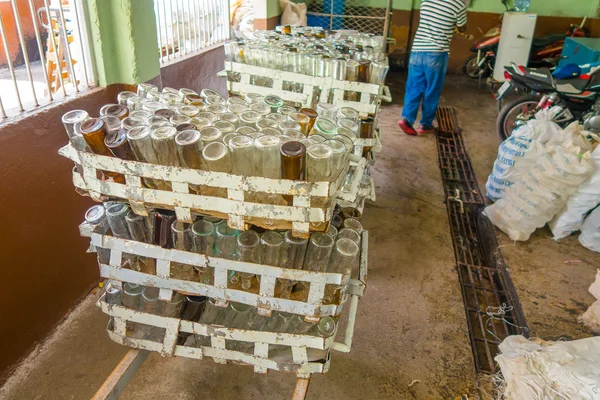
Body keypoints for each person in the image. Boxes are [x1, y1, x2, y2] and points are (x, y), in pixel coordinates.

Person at [398, 0, 467, 136]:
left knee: (414, 87)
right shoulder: (458, 4)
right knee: (432, 89)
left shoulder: (426, 1)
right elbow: (462, 27)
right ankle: (425, 124)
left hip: (417, 50)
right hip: (437, 53)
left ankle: (407, 119)